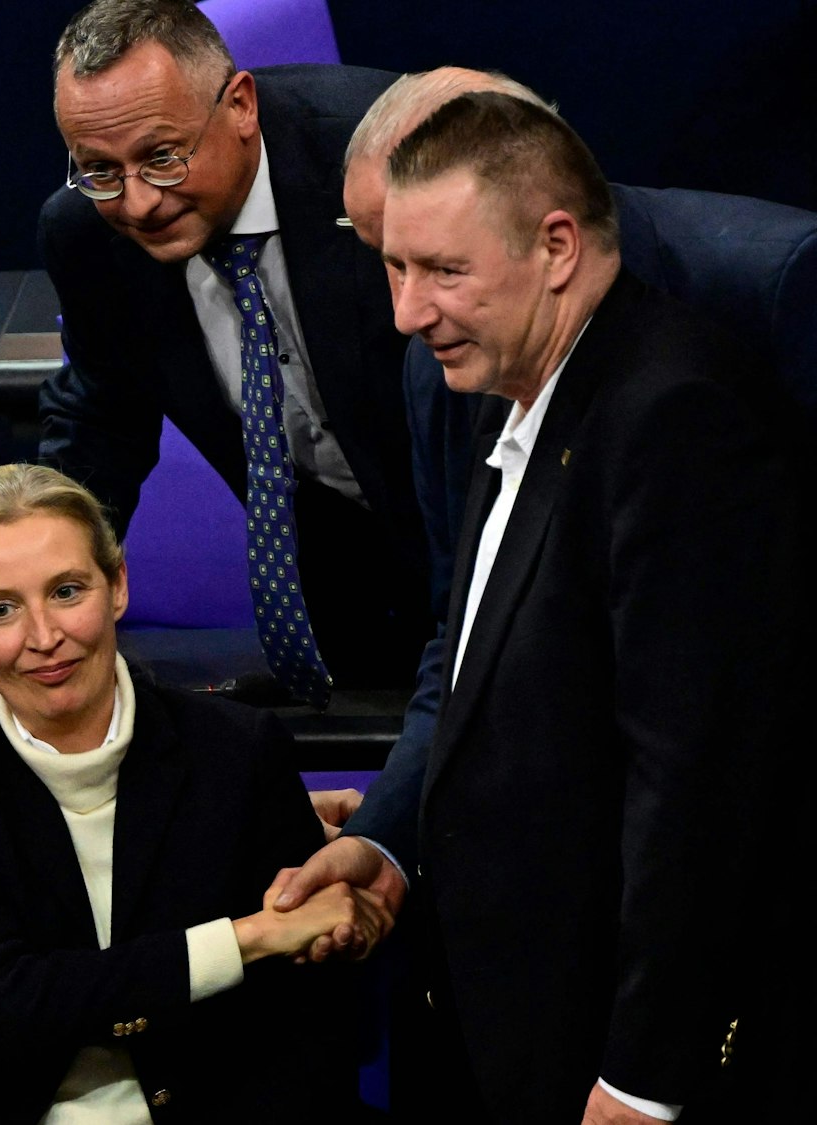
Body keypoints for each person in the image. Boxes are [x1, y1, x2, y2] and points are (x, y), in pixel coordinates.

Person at [290, 93, 791, 1123]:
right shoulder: (511, 385)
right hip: (508, 1020)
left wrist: (645, 1075)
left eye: (443, 271)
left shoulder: (674, 419)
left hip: (615, 1055)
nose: (406, 312)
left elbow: (694, 785)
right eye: (393, 267)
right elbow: (472, 661)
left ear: (556, 246)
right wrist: (390, 843)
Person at [0, 463, 378, 1121]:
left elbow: (310, 1017)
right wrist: (247, 939)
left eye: (66, 591)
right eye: (1, 609)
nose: (43, 637)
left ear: (117, 585)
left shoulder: (238, 750)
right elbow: (3, 998)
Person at [39, 0, 425, 703]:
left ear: (240, 105)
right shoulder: (87, 236)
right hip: (342, 597)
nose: (137, 203)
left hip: (490, 538)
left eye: (162, 158)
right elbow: (101, 422)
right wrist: (45, 575)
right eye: (99, 170)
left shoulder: (393, 161)